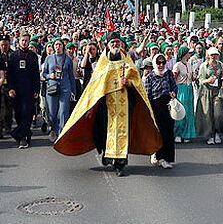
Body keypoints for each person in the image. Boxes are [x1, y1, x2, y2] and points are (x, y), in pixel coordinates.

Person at [54, 32, 161, 177]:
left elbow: (137, 82)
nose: (115, 44)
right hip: (106, 105)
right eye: (112, 42)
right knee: (105, 131)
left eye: (117, 42)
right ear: (108, 45)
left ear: (121, 43)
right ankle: (108, 154)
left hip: (125, 103)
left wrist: (128, 82)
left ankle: (120, 164)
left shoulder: (127, 60)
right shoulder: (103, 62)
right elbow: (96, 84)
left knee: (123, 133)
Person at [7, 32, 40, 149]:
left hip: (29, 89)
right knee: (18, 114)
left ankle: (20, 136)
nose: (24, 42)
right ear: (19, 41)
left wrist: (37, 89)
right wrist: (11, 88)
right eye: (23, 40)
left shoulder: (33, 56)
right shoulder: (13, 55)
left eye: (26, 40)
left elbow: (36, 74)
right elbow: (9, 74)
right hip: (16, 89)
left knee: (27, 113)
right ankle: (26, 134)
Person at [144, 51, 176, 168]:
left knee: (169, 132)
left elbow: (174, 86)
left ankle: (167, 158)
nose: (161, 65)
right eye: (158, 63)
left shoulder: (169, 74)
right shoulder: (150, 77)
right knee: (159, 132)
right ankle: (159, 156)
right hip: (156, 106)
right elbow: (148, 95)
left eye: (163, 62)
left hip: (168, 105)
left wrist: (173, 93)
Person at [42, 37, 75, 140]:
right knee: (52, 113)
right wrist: (49, 76)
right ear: (53, 46)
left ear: (63, 46)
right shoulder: (49, 58)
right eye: (56, 44)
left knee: (64, 111)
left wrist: (73, 90)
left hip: (65, 87)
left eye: (60, 44)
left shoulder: (68, 59)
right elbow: (44, 73)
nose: (58, 46)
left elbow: (71, 76)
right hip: (52, 87)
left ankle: (62, 134)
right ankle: (54, 129)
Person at [195, 47, 223, 145]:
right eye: (212, 55)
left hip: (217, 91)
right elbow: (200, 80)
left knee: (218, 113)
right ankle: (209, 135)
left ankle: (217, 132)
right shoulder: (204, 66)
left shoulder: (220, 65)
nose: (213, 56)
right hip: (206, 91)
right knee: (207, 114)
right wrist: (207, 80)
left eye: (215, 55)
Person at [172, 48, 196, 143]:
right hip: (181, 89)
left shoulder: (189, 64)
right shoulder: (177, 65)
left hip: (189, 88)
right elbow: (174, 79)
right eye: (188, 53)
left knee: (189, 112)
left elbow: (192, 77)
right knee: (180, 110)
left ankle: (187, 134)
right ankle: (178, 133)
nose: (189, 54)